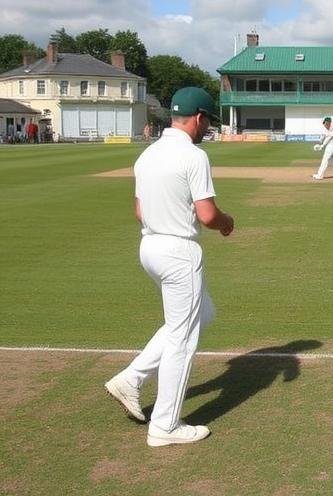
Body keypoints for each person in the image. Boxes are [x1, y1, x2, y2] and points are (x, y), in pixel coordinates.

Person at [105, 86, 234, 446]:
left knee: (200, 314)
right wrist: (227, 222)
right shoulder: (194, 157)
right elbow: (208, 215)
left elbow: (138, 210)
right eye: (207, 123)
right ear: (198, 118)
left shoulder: (148, 155)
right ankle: (165, 426)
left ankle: (131, 379)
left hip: (150, 247)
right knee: (183, 337)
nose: (207, 130)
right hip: (179, 252)